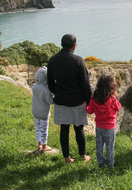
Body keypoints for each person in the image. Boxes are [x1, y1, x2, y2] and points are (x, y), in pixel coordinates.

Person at [47, 34, 92, 164]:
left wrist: (58, 92)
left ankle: (67, 158)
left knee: (64, 130)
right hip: (77, 101)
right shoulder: (78, 61)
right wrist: (89, 101)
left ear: (61, 44)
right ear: (74, 46)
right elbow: (85, 84)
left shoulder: (52, 60)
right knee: (79, 129)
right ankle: (83, 156)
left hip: (61, 101)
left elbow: (50, 83)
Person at [86, 74, 121, 168]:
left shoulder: (94, 98)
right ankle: (110, 165)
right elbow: (118, 108)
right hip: (110, 127)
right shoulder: (113, 99)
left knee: (99, 147)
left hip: (99, 127)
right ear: (111, 86)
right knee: (110, 147)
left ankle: (101, 164)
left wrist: (86, 104)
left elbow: (89, 110)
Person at [32, 66, 53, 152]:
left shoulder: (34, 86)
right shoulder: (46, 90)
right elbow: (50, 101)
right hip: (44, 113)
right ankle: (44, 146)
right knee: (44, 129)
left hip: (35, 111)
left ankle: (39, 144)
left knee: (38, 128)